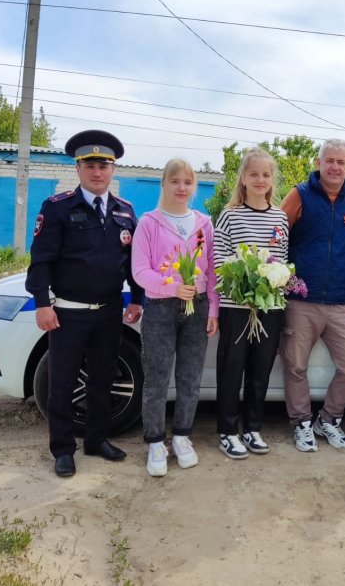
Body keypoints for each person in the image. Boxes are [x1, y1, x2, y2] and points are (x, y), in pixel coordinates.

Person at [26, 130, 144, 478]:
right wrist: (41, 303)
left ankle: (96, 440)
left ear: (113, 170)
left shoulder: (125, 212)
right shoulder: (58, 207)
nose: (97, 172)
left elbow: (133, 260)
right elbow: (41, 260)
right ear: (78, 168)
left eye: (104, 166)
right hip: (67, 313)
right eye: (90, 165)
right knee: (61, 384)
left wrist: (137, 298)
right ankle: (63, 449)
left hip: (109, 313)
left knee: (101, 381)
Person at [279, 138, 345, 451]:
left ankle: (329, 419)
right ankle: (302, 423)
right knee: (295, 367)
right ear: (318, 163)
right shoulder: (299, 195)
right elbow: (276, 234)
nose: (335, 166)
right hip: (300, 300)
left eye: (341, 162)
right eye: (329, 160)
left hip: (341, 301)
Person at [131, 158, 218, 477]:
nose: (181, 188)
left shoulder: (204, 223)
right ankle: (155, 441)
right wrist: (171, 286)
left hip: (196, 312)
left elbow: (210, 270)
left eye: (187, 182)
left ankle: (182, 436)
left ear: (194, 187)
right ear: (164, 185)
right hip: (160, 310)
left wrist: (214, 309)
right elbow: (140, 271)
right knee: (156, 377)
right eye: (175, 181)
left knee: (190, 377)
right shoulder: (149, 223)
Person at [212, 148, 289, 459]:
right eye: (254, 174)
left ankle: (252, 427)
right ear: (242, 178)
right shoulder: (229, 215)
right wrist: (241, 289)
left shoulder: (280, 217)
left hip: (269, 309)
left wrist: (274, 288)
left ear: (272, 181)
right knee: (232, 370)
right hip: (236, 308)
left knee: (260, 371)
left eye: (266, 175)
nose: (260, 180)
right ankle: (228, 432)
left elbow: (282, 263)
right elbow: (219, 261)